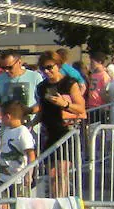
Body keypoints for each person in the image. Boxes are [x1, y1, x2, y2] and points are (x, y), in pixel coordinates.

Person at [34, 56, 86, 196]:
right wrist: (31, 123)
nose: (46, 71)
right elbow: (42, 109)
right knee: (52, 174)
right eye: (43, 68)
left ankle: (60, 203)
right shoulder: (42, 87)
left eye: (50, 67)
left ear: (58, 66)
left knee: (61, 172)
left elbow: (81, 109)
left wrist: (65, 104)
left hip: (67, 131)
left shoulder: (69, 83)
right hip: (50, 132)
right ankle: (53, 203)